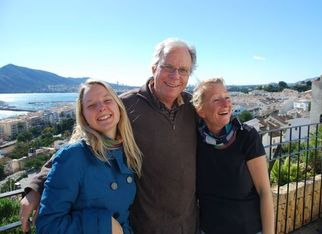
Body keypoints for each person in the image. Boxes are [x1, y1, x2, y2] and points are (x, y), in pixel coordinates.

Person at [20, 38, 198, 234]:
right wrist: (36, 187)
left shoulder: (194, 106)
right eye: (168, 67)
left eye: (183, 70)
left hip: (189, 224)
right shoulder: (124, 105)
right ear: (154, 68)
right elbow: (76, 146)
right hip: (144, 226)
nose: (175, 76)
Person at [35, 79, 143, 234]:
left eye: (107, 100)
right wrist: (105, 225)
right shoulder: (73, 156)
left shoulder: (127, 150)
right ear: (83, 116)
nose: (101, 108)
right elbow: (48, 226)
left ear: (118, 106)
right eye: (92, 105)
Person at [191, 78, 274, 234]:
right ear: (200, 110)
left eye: (227, 97)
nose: (225, 104)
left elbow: (264, 191)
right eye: (216, 99)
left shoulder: (247, 136)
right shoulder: (195, 140)